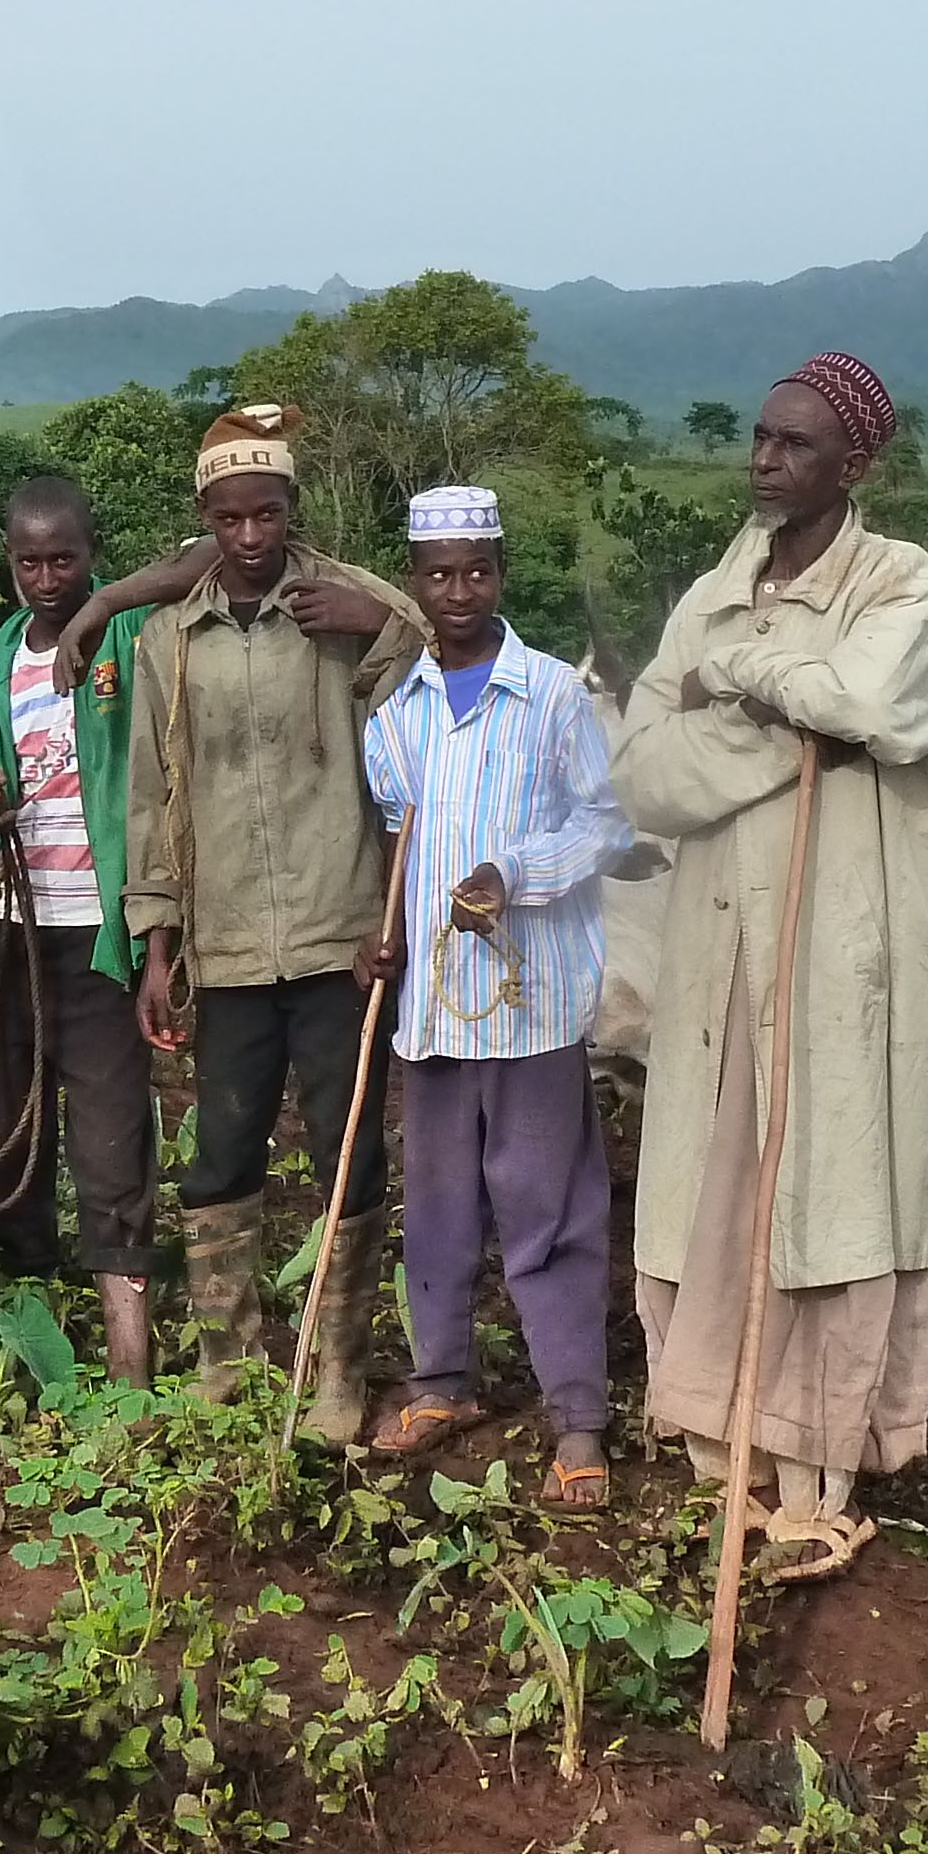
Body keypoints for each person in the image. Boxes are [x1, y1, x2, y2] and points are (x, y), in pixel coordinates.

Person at [609, 352, 928, 1584]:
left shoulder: (900, 583)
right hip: (720, 953)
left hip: (841, 956)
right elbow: (646, 771)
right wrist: (788, 719)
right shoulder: (714, 586)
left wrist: (747, 677)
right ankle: (731, 1460)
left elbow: (876, 702)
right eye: (759, 437)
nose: (764, 459)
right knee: (718, 1178)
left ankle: (826, 1477)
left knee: (833, 1181)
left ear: (853, 465)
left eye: (794, 445)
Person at [110, 404, 425, 1439]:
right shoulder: (170, 638)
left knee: (348, 1147)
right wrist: (158, 941)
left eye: (270, 514)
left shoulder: (340, 614)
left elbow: (429, 648)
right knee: (223, 1149)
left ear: (295, 512)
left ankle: (339, 1364)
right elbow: (154, 793)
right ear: (205, 518)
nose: (252, 537)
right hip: (229, 936)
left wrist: (373, 619)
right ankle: (225, 1353)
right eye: (231, 517)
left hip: (339, 930)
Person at [352, 487, 630, 1508]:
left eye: (477, 570)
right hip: (431, 1002)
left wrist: (515, 872)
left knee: (545, 1204)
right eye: (438, 573)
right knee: (438, 1203)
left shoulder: (553, 695)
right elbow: (397, 841)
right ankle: (443, 1380)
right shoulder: (398, 714)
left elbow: (607, 826)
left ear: (500, 573)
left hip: (533, 999)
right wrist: (380, 939)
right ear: (417, 582)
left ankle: (578, 1415)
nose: (458, 589)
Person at [0, 477, 160, 1381]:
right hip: (10, 934)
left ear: (91, 551)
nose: (46, 577)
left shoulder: (126, 638)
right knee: (2, 1127)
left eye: (64, 559)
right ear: (8, 561)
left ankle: (129, 1359)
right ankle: (26, 1325)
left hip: (98, 935)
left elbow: (196, 564)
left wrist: (104, 605)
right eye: (29, 560)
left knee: (112, 1135)